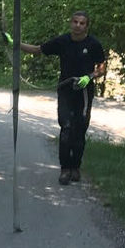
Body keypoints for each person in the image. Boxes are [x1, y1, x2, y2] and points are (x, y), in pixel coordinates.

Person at [15, 10, 106, 185]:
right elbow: (37, 50)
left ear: (87, 26)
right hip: (65, 90)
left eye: (82, 23)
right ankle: (65, 169)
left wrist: (89, 77)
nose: (78, 26)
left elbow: (101, 68)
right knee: (66, 128)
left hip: (84, 93)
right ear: (70, 23)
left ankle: (75, 167)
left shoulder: (93, 44)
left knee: (79, 131)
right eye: (75, 22)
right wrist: (15, 43)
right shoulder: (62, 41)